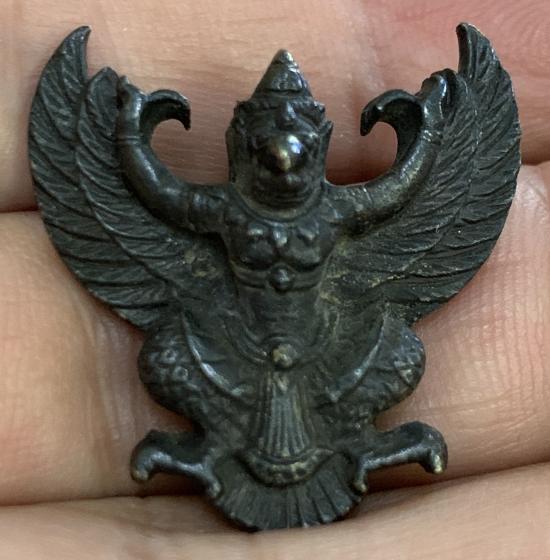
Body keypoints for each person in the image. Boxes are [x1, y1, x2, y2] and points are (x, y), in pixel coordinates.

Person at [0, 0, 549, 556]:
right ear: (242, 144)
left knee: (400, 352)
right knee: (165, 356)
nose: (284, 155)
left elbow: (402, 192)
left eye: (298, 140)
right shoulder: (221, 211)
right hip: (231, 352)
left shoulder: (340, 211)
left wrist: (425, 134)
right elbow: (156, 195)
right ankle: (215, 442)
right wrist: (128, 136)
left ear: (320, 144)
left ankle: (357, 439)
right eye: (269, 141)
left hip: (331, 355)